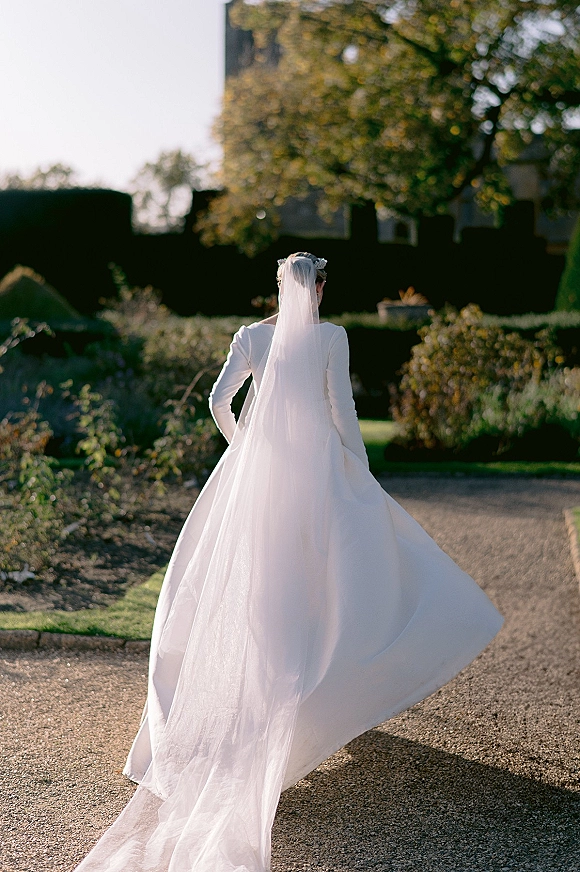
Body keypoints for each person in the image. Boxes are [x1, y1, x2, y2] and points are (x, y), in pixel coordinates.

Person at [73, 252, 503, 872]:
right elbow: (344, 411)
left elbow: (221, 403)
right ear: (322, 288)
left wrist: (250, 452)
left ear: (279, 288)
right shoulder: (332, 337)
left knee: (240, 588)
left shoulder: (250, 336)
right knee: (334, 583)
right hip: (319, 473)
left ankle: (254, 708)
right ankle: (316, 700)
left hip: (257, 475)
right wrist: (358, 468)